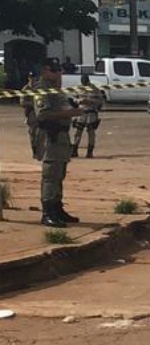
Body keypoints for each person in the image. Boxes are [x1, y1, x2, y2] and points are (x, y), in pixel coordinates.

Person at [34, 58, 87, 228]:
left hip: (61, 136)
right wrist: (71, 113)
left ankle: (57, 209)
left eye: (60, 69)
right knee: (51, 175)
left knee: (59, 174)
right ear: (45, 70)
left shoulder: (55, 89)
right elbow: (42, 115)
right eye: (55, 69)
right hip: (51, 135)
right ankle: (48, 212)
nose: (59, 72)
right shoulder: (41, 90)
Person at [71, 74, 105, 158]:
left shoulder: (94, 89)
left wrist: (91, 101)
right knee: (78, 132)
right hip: (81, 112)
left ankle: (90, 152)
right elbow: (74, 99)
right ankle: (74, 150)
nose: (83, 82)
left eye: (84, 80)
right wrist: (79, 101)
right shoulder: (79, 88)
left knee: (91, 133)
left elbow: (100, 101)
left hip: (91, 112)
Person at [19, 72, 43, 160]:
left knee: (41, 133)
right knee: (33, 133)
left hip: (41, 112)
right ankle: (35, 151)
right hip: (31, 112)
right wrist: (33, 104)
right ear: (28, 78)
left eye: (33, 77)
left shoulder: (39, 88)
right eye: (30, 77)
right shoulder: (25, 89)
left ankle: (41, 151)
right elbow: (22, 102)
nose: (32, 79)